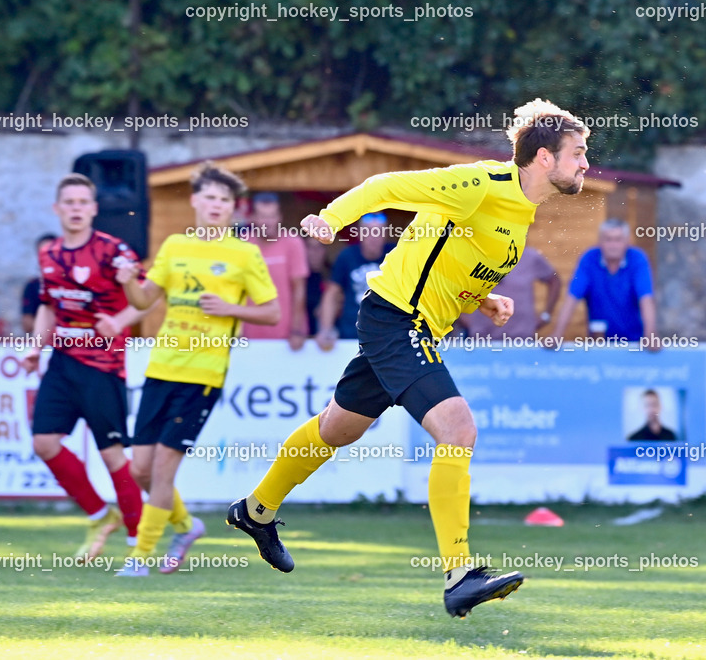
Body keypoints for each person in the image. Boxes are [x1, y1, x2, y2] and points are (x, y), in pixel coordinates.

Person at [226, 99, 591, 618]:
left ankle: (254, 511)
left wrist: (481, 298)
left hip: (410, 323)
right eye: (578, 153)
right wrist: (332, 221)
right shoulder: (481, 184)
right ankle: (460, 573)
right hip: (397, 320)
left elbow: (450, 262)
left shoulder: (523, 210)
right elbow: (384, 187)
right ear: (543, 158)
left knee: (337, 430)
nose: (585, 165)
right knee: (458, 429)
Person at [115, 162, 281, 576]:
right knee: (140, 469)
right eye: (208, 197)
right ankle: (186, 527)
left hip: (203, 376)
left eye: (223, 200)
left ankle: (140, 559)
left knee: (163, 469)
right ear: (194, 201)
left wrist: (231, 309)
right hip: (162, 367)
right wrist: (126, 282)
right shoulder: (174, 246)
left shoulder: (244, 254)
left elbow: (272, 311)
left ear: (232, 208)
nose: (215, 205)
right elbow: (143, 300)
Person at [20, 175, 146, 562]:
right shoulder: (50, 254)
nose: (75, 208)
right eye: (68, 202)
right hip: (62, 362)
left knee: (111, 456)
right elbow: (47, 305)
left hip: (103, 366)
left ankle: (137, 540)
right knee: (43, 442)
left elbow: (148, 297)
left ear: (93, 209)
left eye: (82, 202)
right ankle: (98, 514)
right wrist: (35, 348)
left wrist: (120, 321)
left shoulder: (113, 250)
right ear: (58, 209)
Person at [550, 219, 658, 346]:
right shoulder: (589, 259)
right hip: (598, 343)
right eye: (608, 239)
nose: (613, 245)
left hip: (634, 342)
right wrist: (557, 334)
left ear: (627, 242)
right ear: (600, 242)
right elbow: (572, 298)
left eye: (618, 240)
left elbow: (645, 299)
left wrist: (650, 335)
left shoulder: (638, 259)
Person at [314, 212, 395, 350]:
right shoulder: (347, 256)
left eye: (379, 232)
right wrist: (326, 329)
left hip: (388, 336)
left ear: (385, 235)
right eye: (369, 232)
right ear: (360, 234)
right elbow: (331, 294)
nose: (373, 238)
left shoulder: (396, 256)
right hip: (351, 335)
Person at [242, 192, 309, 350]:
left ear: (279, 217)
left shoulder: (293, 242)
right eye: (263, 217)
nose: (268, 222)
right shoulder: (242, 244)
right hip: (249, 334)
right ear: (252, 218)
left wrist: (297, 330)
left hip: (287, 335)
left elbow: (299, 289)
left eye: (272, 216)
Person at [461, 245, 561, 340]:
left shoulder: (529, 256)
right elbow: (451, 286)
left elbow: (554, 281)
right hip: (480, 339)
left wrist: (545, 315)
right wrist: (462, 319)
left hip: (521, 339)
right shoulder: (474, 256)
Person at [21, 233, 57, 333]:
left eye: (51, 252)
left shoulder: (74, 283)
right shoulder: (33, 286)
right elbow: (27, 323)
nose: (47, 258)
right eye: (42, 253)